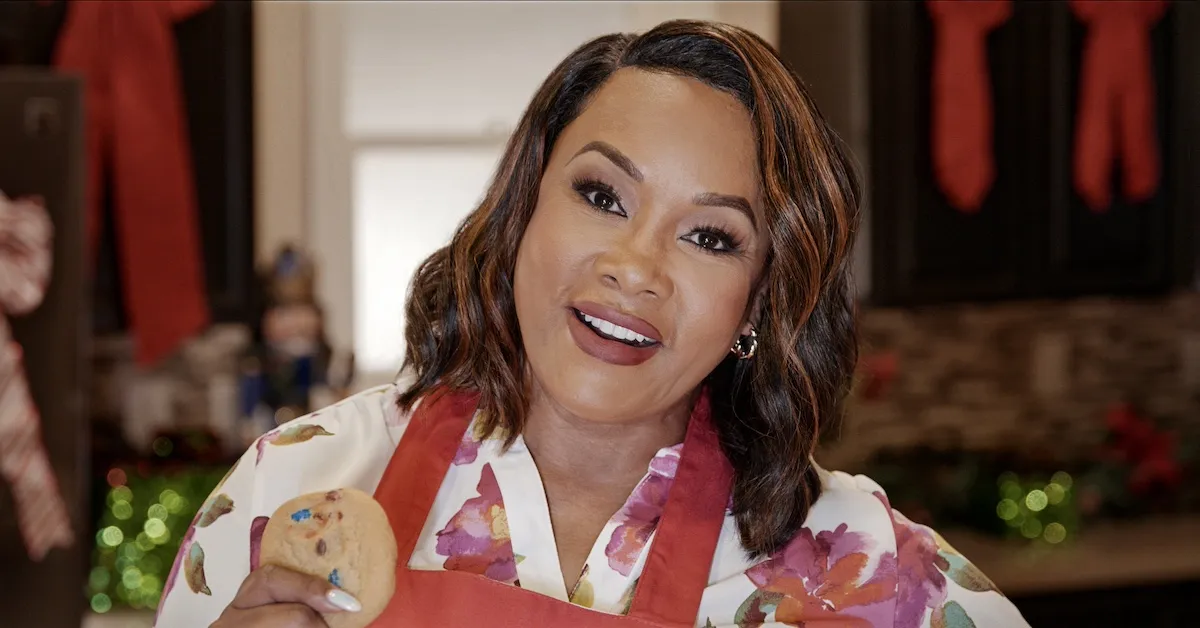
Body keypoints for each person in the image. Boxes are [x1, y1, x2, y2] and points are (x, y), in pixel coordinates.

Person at [156, 20, 1029, 628]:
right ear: (523, 210)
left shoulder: (866, 575)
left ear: (761, 301)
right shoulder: (294, 488)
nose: (635, 267)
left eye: (711, 236)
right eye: (602, 195)